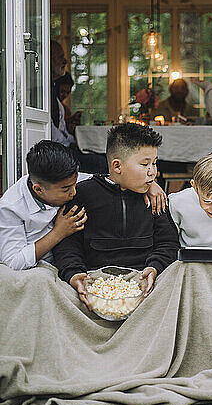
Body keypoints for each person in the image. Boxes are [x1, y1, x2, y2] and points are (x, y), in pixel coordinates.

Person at [52, 123, 180, 306]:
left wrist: (154, 267)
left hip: (147, 281)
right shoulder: (83, 194)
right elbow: (68, 244)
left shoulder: (156, 198)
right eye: (145, 164)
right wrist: (73, 274)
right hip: (94, 281)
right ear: (117, 166)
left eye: (154, 162)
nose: (153, 171)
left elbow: (168, 243)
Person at [0, 140, 89, 270]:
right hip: (38, 268)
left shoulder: (64, 180)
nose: (73, 192)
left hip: (71, 260)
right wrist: (58, 232)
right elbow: (14, 262)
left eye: (75, 184)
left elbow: (103, 179)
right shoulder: (11, 207)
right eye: (66, 189)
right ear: (39, 190)